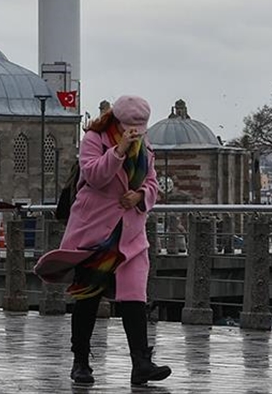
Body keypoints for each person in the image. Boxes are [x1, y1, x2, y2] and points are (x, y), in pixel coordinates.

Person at [34, 95, 172, 386]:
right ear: (117, 121)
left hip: (130, 234)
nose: (135, 132)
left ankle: (141, 364)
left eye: (140, 127)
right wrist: (118, 151)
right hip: (95, 233)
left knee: (135, 296)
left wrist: (141, 196)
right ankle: (81, 361)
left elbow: (152, 182)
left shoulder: (145, 146)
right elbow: (94, 176)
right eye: (130, 127)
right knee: (88, 296)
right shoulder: (95, 138)